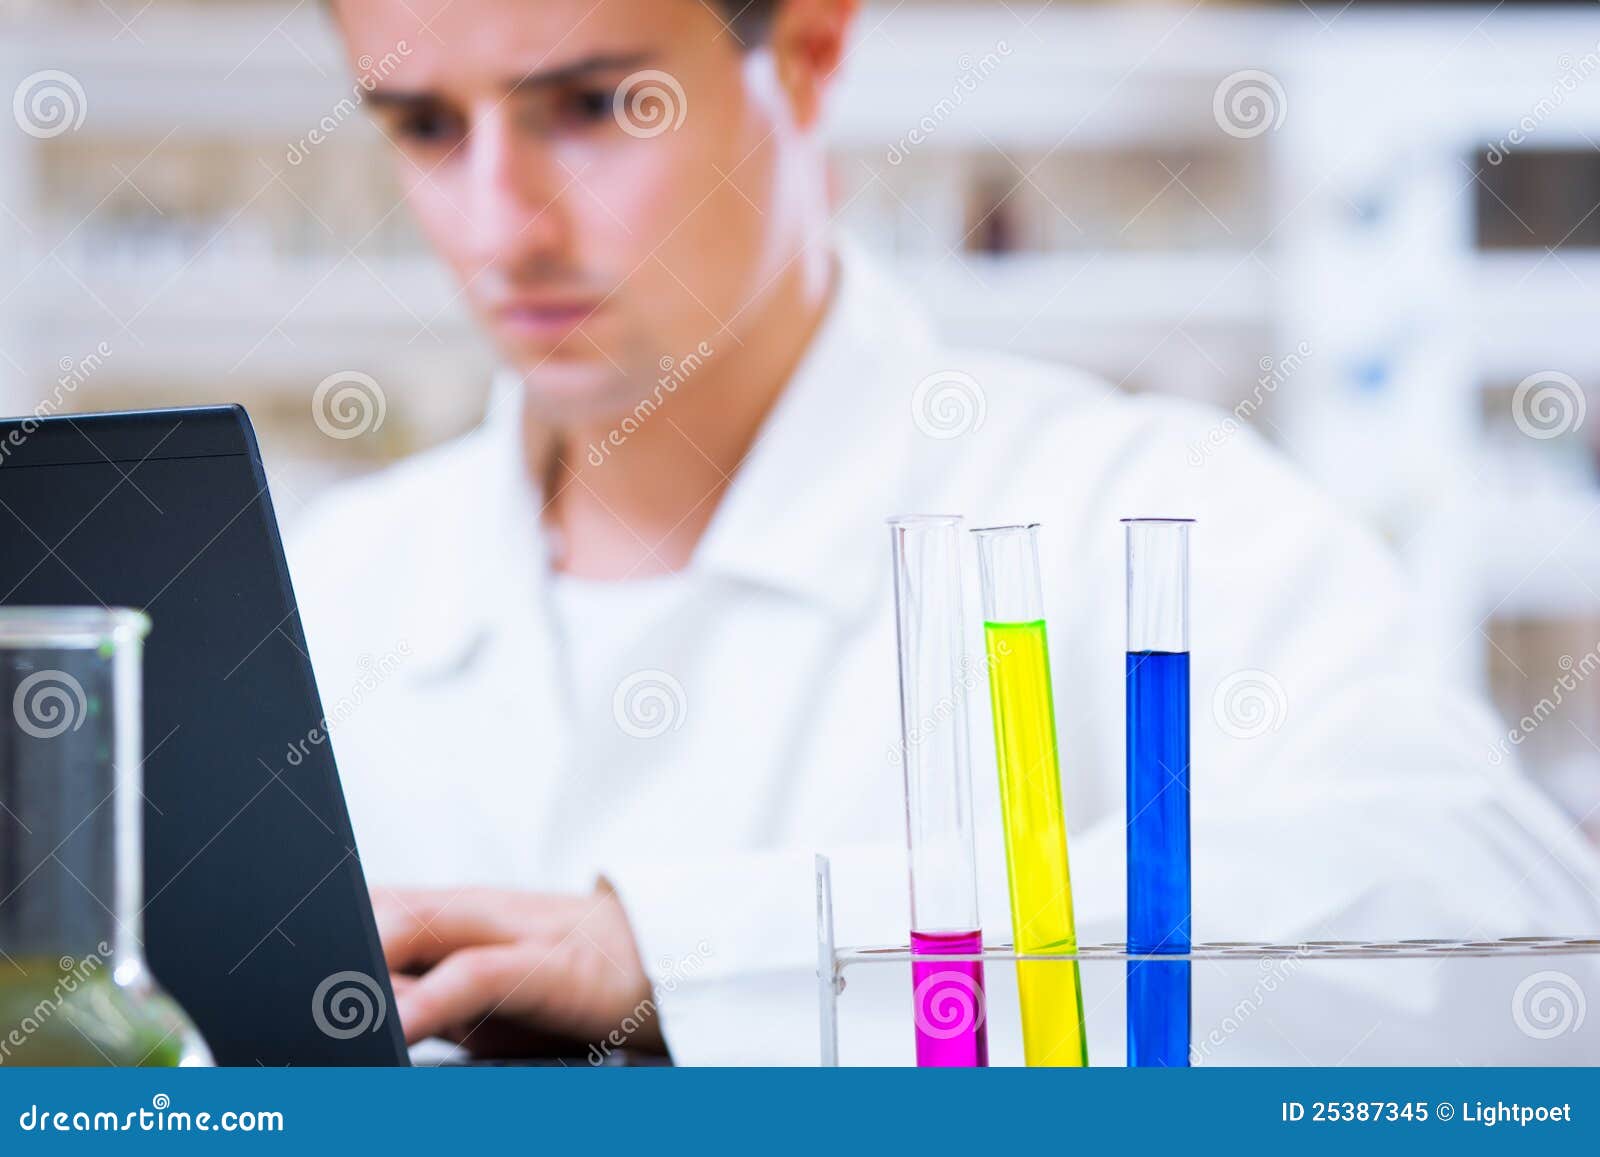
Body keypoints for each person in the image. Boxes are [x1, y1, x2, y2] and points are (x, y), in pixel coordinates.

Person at [292, 0, 1600, 1065]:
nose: (497, 226)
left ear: (808, 52)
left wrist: (682, 958)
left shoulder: (1139, 512)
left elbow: (1500, 949)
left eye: (589, 107)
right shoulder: (318, 594)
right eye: (421, 126)